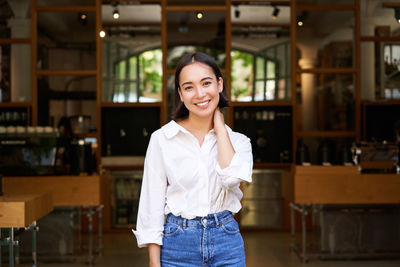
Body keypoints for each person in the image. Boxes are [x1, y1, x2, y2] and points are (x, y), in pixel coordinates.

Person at [132, 52, 253, 267]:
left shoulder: (239, 142)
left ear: (219, 84)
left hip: (227, 240)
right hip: (177, 243)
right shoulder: (162, 139)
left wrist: (220, 128)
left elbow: (232, 178)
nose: (199, 93)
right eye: (189, 87)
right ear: (180, 93)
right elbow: (151, 205)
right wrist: (153, 262)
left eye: (206, 83)